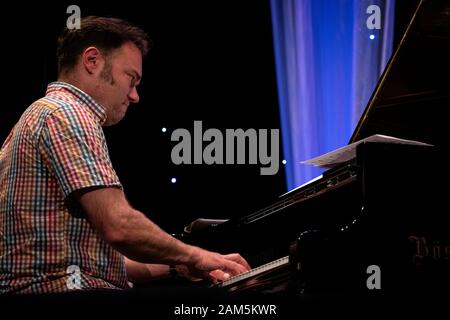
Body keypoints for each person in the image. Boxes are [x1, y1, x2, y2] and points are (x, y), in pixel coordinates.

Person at [0, 16, 250, 294]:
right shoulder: (68, 114)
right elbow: (118, 226)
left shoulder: (41, 116)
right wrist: (197, 255)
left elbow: (105, 260)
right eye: (131, 79)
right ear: (92, 60)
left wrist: (179, 265)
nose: (134, 95)